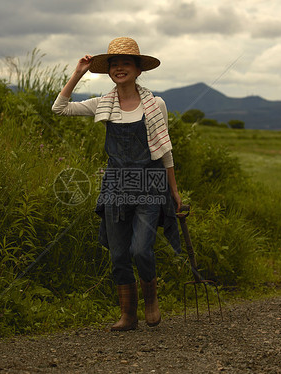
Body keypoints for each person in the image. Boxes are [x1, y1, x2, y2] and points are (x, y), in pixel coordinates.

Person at [52, 37, 182, 331]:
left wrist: (173, 190)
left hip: (150, 185)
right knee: (119, 253)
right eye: (114, 64)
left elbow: (165, 149)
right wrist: (79, 72)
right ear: (108, 71)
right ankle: (128, 315)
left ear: (138, 69)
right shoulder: (103, 103)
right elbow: (59, 108)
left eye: (126, 63)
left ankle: (151, 301)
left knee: (140, 249)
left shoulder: (155, 104)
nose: (119, 68)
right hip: (115, 185)